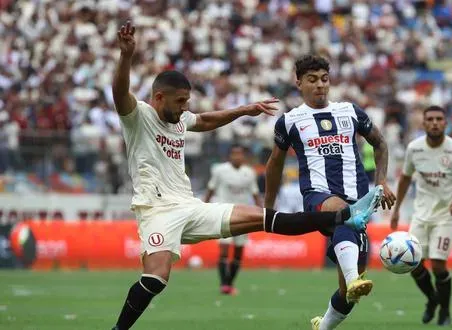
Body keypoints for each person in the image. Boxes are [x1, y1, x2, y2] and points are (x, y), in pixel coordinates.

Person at [111, 22, 383, 330]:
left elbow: (205, 119)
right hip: (156, 209)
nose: (186, 107)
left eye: (187, 101)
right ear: (159, 98)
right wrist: (126, 57)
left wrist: (244, 110)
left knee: (265, 218)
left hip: (189, 206)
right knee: (156, 278)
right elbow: (120, 93)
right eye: (181, 101)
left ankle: (340, 219)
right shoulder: (139, 116)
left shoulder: (180, 119)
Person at [263, 55, 397, 330]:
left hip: (358, 202)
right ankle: (353, 279)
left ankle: (323, 325)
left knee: (348, 296)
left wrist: (382, 181)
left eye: (324, 79)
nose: (320, 85)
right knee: (342, 215)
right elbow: (274, 164)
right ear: (298, 83)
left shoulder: (350, 112)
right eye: (312, 80)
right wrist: (268, 209)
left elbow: (380, 144)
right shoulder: (290, 121)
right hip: (318, 196)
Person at [390, 105, 452, 326]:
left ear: (445, 123)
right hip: (420, 215)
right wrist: (396, 210)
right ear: (423, 123)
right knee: (412, 263)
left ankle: (445, 311)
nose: (434, 123)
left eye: (439, 119)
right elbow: (404, 179)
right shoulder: (414, 149)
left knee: (439, 266)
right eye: (430, 119)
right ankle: (432, 300)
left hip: (446, 215)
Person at [204, 144, 261, 295]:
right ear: (229, 156)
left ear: (244, 156)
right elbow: (210, 189)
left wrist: (263, 213)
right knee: (224, 250)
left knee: (238, 253)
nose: (237, 157)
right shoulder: (219, 170)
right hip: (223, 214)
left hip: (243, 216)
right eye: (234, 154)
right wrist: (203, 208)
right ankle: (224, 284)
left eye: (240, 154)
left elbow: (255, 194)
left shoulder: (249, 172)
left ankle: (229, 283)